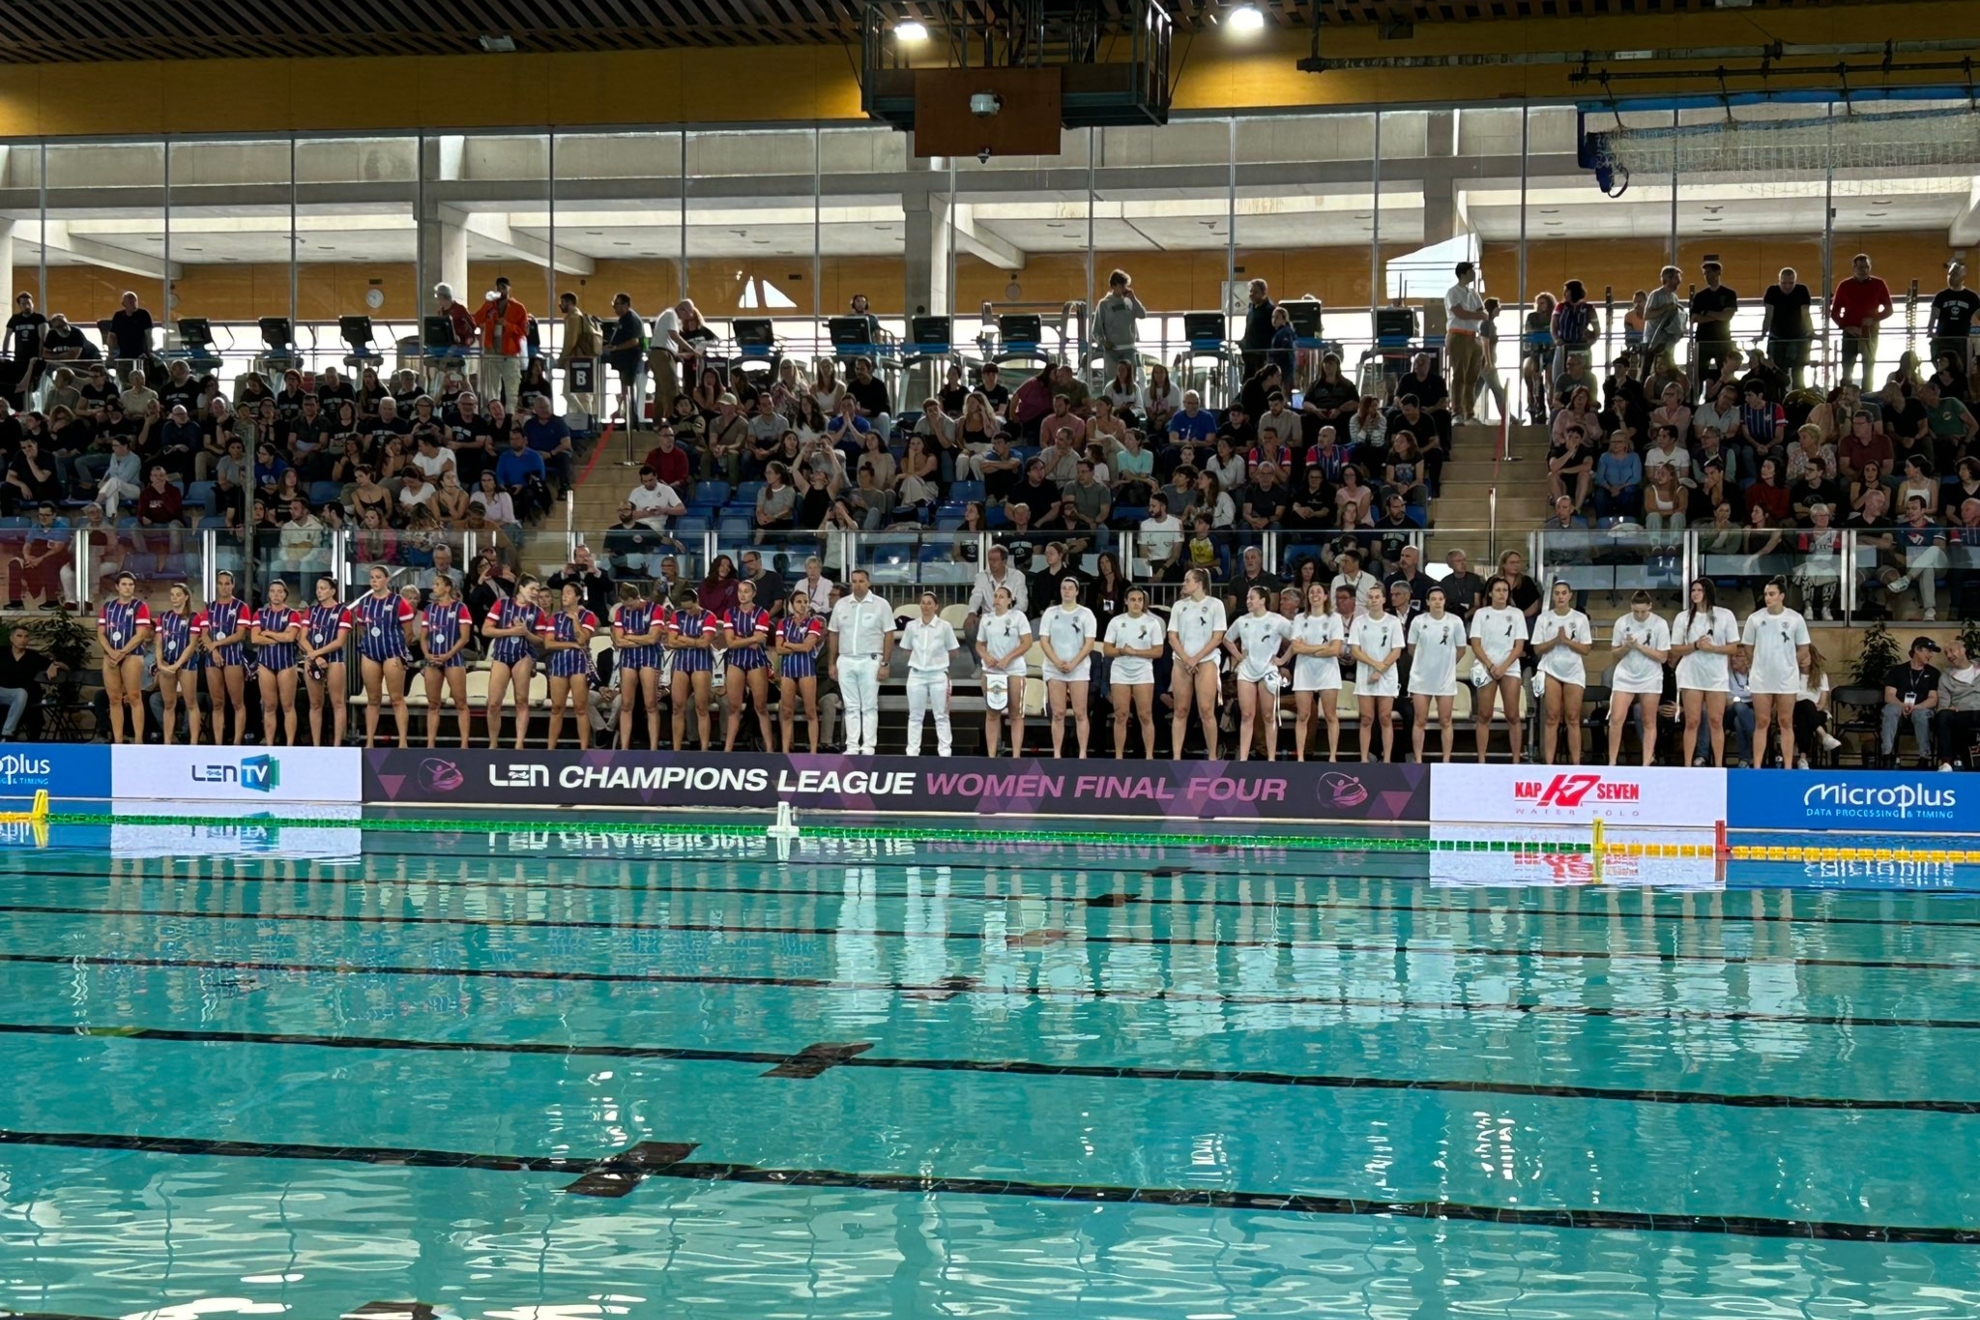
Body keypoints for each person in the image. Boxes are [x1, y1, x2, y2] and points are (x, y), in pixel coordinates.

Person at [1742, 576, 1811, 769]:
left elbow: (1804, 648)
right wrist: (1756, 663)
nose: (1767, 598)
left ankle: (1788, 766)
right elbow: (1748, 647)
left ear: (1781, 596)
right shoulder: (1755, 618)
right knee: (1762, 721)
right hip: (1761, 678)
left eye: (1771, 594)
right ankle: (1757, 766)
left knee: (1785, 720)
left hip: (1786, 678)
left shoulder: (1795, 618)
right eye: (1765, 594)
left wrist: (1788, 663)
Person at [1669, 578, 1738, 768]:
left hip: (1715, 674)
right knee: (1692, 720)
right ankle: (1688, 765)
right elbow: (1675, 649)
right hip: (1691, 674)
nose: (1695, 593)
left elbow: (1733, 648)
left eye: (1699, 590)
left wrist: (1713, 649)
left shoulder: (1725, 615)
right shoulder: (1682, 618)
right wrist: (1695, 646)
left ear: (1708, 592)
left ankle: (1718, 764)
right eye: (1693, 590)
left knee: (1716, 720)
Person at [827, 569, 894, 756]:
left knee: (869, 705)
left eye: (861, 581)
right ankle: (852, 745)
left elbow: (889, 634)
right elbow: (833, 633)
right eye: (854, 581)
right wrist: (832, 663)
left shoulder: (881, 605)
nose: (857, 584)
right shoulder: (841, 605)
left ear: (869, 583)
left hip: (870, 659)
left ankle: (869, 746)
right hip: (846, 659)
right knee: (851, 706)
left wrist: (885, 663)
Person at [1222, 584, 1289, 762]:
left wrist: (1282, 659)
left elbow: (1297, 639)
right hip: (1247, 670)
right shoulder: (1243, 620)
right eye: (1247, 598)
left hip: (1268, 670)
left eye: (1252, 598)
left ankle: (1272, 758)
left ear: (1262, 600)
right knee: (1247, 715)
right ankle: (1243, 758)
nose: (1248, 601)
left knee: (1268, 715)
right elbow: (1227, 639)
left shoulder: (1277, 620)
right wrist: (1237, 655)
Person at [352, 564, 414, 749]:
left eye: (378, 577)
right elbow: (363, 628)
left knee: (396, 698)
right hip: (371, 652)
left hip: (393, 652)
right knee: (373, 699)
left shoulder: (398, 602)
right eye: (372, 577)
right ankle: (369, 742)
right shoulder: (365, 603)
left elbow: (409, 633)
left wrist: (400, 650)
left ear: (387, 579)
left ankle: (403, 741)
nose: (374, 580)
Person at [1530, 580, 1592, 765]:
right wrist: (1555, 640)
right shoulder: (1544, 618)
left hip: (1573, 671)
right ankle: (1549, 764)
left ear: (1570, 595)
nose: (1560, 596)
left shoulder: (1580, 619)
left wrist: (1567, 641)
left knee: (1573, 718)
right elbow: (1537, 649)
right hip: (1550, 669)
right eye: (1557, 593)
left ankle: (1576, 765)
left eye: (1564, 593)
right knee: (1552, 717)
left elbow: (1586, 649)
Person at [1036, 576, 1099, 759]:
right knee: (1058, 713)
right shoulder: (1050, 612)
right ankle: (1057, 753)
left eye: (1071, 588)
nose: (1067, 591)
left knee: (1080, 712)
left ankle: (1082, 753)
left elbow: (1089, 644)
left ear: (1077, 591)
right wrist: (1056, 661)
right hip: (1054, 668)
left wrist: (1073, 663)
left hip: (1078, 668)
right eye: (1064, 588)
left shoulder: (1086, 614)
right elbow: (1044, 640)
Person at [1606, 591, 1671, 767]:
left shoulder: (1660, 624)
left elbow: (1663, 657)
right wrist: (1627, 646)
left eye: (1643, 611)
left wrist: (1639, 647)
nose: (1639, 615)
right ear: (1631, 607)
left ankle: (1646, 762)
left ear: (1650, 606)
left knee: (1649, 720)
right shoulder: (1622, 622)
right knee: (1616, 718)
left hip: (1650, 675)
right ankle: (1612, 761)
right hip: (1626, 674)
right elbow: (1615, 653)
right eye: (1636, 611)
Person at [1467, 576, 1527, 764]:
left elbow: (1519, 646)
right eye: (1498, 590)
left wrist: (1503, 666)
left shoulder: (1517, 614)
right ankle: (1482, 760)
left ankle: (1516, 760)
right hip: (1486, 667)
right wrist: (1491, 666)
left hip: (1510, 667)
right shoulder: (1481, 614)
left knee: (1512, 714)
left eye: (1505, 590)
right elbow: (1475, 644)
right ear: (1491, 593)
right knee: (1484, 714)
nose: (1502, 594)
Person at [1100, 587, 1162, 760]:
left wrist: (1136, 653)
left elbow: (1158, 651)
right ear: (1126, 601)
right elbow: (1107, 649)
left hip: (1143, 671)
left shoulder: (1152, 623)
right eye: (1133, 599)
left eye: (1140, 600)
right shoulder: (1116, 622)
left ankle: (1149, 757)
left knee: (1145, 714)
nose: (1136, 603)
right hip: (1120, 670)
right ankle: (1119, 757)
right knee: (1120, 714)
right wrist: (1122, 651)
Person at [481, 579, 542, 751]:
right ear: (521, 588)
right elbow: (486, 630)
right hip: (501, 655)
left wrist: (526, 633)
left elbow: (541, 640)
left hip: (523, 656)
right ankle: (493, 743)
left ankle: (519, 743)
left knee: (521, 701)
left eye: (537, 589)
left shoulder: (537, 612)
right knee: (493, 703)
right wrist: (511, 631)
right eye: (532, 588)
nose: (535, 592)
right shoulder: (502, 604)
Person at [1407, 586, 1465, 764]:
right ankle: (1418, 759)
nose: (1437, 602)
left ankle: (1446, 760)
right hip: (1421, 678)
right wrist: (1426, 664)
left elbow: (1461, 650)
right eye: (1433, 599)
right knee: (1420, 719)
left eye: (1440, 598)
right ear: (1427, 602)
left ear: (1445, 601)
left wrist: (1445, 665)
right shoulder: (1418, 621)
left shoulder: (1455, 622)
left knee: (1446, 720)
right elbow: (1411, 648)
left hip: (1445, 679)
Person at [899, 592, 961, 757]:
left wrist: (939, 661)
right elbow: (906, 649)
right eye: (923, 603)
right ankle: (912, 752)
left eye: (929, 603)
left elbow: (954, 651)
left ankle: (945, 752)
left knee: (941, 715)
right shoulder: (912, 626)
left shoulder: (944, 626)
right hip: (917, 674)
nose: (926, 606)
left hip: (938, 674)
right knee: (915, 715)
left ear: (936, 606)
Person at [1348, 584, 1404, 764]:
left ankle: (1386, 760)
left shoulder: (1393, 622)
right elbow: (1355, 650)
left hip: (1387, 676)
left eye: (1377, 597)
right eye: (1370, 597)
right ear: (1366, 600)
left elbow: (1396, 651)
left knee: (1385, 717)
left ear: (1383, 599)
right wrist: (1375, 665)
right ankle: (1364, 759)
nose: (1373, 600)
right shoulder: (1359, 621)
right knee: (1366, 718)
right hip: (1365, 674)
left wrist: (1381, 669)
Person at [418, 574, 473, 749]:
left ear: (447, 588)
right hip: (433, 659)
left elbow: (464, 638)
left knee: (460, 702)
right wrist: (427, 654)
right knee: (433, 703)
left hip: (453, 658)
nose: (433, 587)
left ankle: (464, 743)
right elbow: (423, 636)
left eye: (437, 584)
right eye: (433, 584)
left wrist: (448, 654)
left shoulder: (460, 608)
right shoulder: (429, 610)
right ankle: (430, 743)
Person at [540, 581, 596, 751]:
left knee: (580, 707)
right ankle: (551, 748)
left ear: (578, 597)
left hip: (578, 663)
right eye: (563, 593)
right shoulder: (555, 618)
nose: (564, 596)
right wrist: (571, 645)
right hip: (559, 663)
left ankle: (584, 748)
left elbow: (582, 639)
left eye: (569, 593)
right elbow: (548, 644)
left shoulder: (588, 616)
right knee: (557, 707)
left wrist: (575, 621)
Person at [608, 583, 665, 751]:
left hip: (650, 657)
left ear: (637, 598)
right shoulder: (621, 612)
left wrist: (630, 637)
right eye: (625, 605)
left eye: (631, 604)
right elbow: (618, 641)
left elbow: (653, 639)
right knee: (626, 704)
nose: (628, 608)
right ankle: (624, 747)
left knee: (650, 703)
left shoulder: (655, 609)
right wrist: (641, 638)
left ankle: (653, 747)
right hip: (628, 659)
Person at [96, 570, 150, 745]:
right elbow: (101, 633)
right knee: (114, 699)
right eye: (125, 584)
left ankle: (139, 740)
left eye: (131, 585)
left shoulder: (140, 606)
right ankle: (118, 740)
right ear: (117, 587)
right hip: (111, 655)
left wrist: (122, 652)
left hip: (131, 654)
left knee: (134, 696)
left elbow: (141, 634)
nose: (128, 588)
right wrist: (111, 651)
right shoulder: (107, 607)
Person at [721, 578, 774, 752]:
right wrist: (751, 638)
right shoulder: (730, 613)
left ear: (753, 594)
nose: (742, 595)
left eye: (746, 591)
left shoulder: (762, 613)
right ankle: (727, 750)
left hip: (756, 661)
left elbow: (756, 645)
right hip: (736, 661)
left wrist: (739, 639)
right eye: (740, 591)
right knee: (734, 707)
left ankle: (770, 750)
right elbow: (730, 643)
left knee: (760, 706)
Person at [977, 586, 1030, 758]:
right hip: (992, 671)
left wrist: (1009, 657)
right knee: (992, 713)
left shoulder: (1018, 617)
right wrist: (985, 655)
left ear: (1009, 600)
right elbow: (979, 643)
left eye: (1001, 596)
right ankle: (991, 756)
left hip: (1014, 670)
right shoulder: (986, 619)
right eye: (995, 596)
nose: (997, 599)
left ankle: (1016, 756)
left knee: (1015, 714)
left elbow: (1027, 642)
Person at [250, 579, 302, 748]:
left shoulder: (293, 614)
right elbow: (254, 638)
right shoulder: (260, 614)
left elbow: (290, 638)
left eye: (280, 591)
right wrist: (279, 635)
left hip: (286, 663)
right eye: (273, 591)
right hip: (266, 663)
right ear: (268, 594)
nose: (276, 594)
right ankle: (270, 744)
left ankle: (289, 745)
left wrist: (268, 633)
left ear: (285, 594)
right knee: (269, 705)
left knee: (288, 705)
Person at [200, 570, 250, 745]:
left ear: (233, 585)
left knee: (237, 702)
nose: (224, 587)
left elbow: (240, 634)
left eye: (227, 583)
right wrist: (213, 650)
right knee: (217, 703)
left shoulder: (241, 607)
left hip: (233, 657)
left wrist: (216, 645)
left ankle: (236, 743)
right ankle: (218, 744)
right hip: (212, 658)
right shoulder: (209, 608)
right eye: (220, 583)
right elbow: (204, 634)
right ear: (216, 586)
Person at [300, 575, 350, 748]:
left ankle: (337, 745)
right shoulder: (311, 611)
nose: (319, 592)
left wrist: (317, 653)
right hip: (313, 658)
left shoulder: (343, 612)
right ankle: (315, 745)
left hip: (334, 659)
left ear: (333, 591)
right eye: (317, 588)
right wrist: (315, 656)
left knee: (337, 702)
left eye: (323, 588)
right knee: (315, 703)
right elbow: (302, 637)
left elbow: (339, 641)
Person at [1830, 253, 1894, 391]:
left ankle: (1867, 397)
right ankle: (1845, 396)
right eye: (1860, 267)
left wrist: (1874, 319)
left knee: (1869, 369)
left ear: (1869, 268)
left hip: (1869, 334)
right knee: (1846, 368)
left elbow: (1889, 309)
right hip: (1850, 334)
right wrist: (1846, 327)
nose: (1863, 270)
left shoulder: (1879, 284)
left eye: (1866, 267)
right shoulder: (1844, 286)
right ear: (1854, 268)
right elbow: (1834, 313)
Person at [665, 588, 718, 752]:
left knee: (701, 707)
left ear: (697, 602)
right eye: (685, 609)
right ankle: (676, 748)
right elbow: (671, 642)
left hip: (701, 662)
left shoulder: (709, 616)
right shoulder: (677, 615)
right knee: (677, 706)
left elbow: (704, 643)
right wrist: (694, 640)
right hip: (681, 661)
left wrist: (682, 638)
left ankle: (704, 749)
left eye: (690, 608)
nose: (687, 612)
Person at [776, 590, 826, 755]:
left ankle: (813, 751)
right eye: (799, 602)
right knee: (787, 711)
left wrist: (789, 644)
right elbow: (778, 649)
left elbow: (806, 647)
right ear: (792, 604)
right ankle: (785, 750)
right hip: (788, 670)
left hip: (806, 669)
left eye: (805, 601)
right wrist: (794, 646)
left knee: (810, 711)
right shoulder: (783, 623)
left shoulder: (814, 623)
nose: (803, 605)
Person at [1881, 635, 1941, 769]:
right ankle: (1887, 754)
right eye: (1928, 651)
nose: (1931, 655)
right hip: (1899, 707)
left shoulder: (1933, 673)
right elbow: (1889, 695)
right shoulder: (1897, 671)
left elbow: (1933, 699)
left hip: (1921, 709)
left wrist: (1916, 707)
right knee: (1890, 710)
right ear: (1917, 650)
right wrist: (1903, 705)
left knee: (1920, 714)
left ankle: (1924, 757)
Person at [154, 582, 203, 747]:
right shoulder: (163, 617)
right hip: (167, 663)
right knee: (169, 704)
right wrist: (160, 663)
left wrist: (178, 665)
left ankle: (194, 743)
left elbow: (192, 645)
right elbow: (159, 642)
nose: (175, 598)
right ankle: (167, 742)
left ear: (186, 597)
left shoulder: (194, 617)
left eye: (178, 595)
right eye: (172, 595)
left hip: (186, 663)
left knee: (191, 702)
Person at [472, 277, 529, 408]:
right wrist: (487, 304)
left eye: (503, 287)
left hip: (510, 352)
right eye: (498, 287)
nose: (500, 290)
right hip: (491, 350)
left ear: (509, 289)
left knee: (512, 388)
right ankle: (493, 414)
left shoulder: (518, 308)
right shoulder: (490, 306)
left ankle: (510, 415)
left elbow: (524, 332)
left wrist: (508, 325)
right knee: (491, 388)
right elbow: (477, 320)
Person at [1444, 261, 1487, 425]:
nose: (1474, 273)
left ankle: (1469, 412)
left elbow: (1482, 313)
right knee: (1459, 375)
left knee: (1472, 376)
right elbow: (1459, 313)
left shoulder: (1474, 293)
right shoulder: (1453, 292)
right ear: (1463, 273)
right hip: (1458, 335)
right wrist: (1475, 315)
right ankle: (1456, 411)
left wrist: (1475, 315)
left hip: (1474, 336)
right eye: (1471, 271)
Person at [1092, 269, 1147, 382]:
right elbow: (1096, 330)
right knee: (1111, 381)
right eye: (1121, 285)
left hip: (1129, 349)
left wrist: (1134, 299)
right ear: (1113, 286)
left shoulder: (1129, 302)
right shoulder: (1104, 304)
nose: (1124, 289)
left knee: (1129, 382)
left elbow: (1142, 315)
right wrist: (1102, 342)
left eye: (1125, 286)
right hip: (1112, 350)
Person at [1934, 638, 1980, 772]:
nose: (1949, 655)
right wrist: (1947, 708)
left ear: (1963, 650)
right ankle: (1947, 763)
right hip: (1962, 713)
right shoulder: (1945, 678)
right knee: (1943, 716)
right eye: (1946, 653)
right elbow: (1943, 702)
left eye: (1951, 651)